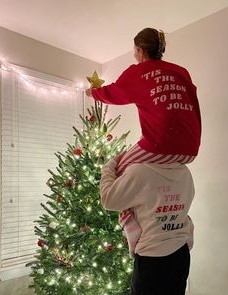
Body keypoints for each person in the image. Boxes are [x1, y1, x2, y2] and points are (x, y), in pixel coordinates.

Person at [86, 27, 201, 254]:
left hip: (160, 145)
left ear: (140, 50)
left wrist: (93, 93)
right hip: (189, 147)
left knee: (119, 170)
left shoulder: (139, 72)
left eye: (135, 50)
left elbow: (114, 93)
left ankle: (131, 225)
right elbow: (193, 102)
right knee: (157, 177)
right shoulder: (181, 72)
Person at [100, 155, 194, 295]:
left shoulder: (139, 172)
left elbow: (109, 199)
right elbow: (188, 200)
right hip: (180, 253)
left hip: (151, 257)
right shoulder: (184, 172)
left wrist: (109, 167)